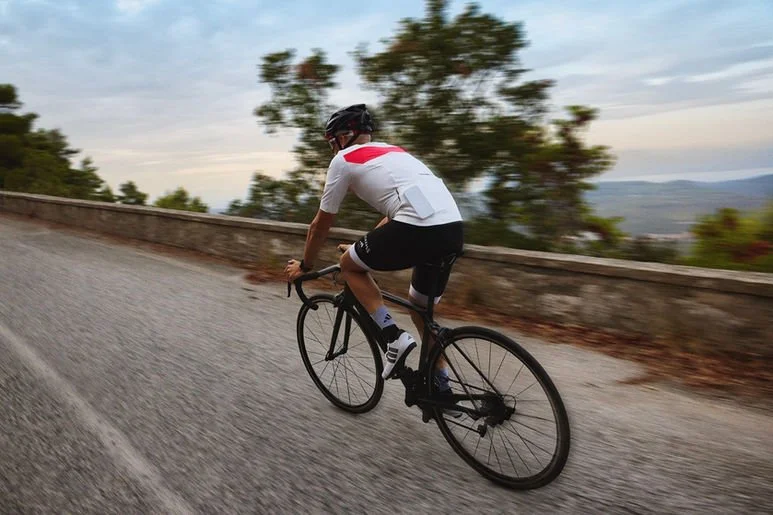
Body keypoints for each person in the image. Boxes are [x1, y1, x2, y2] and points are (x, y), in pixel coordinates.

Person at [284, 104, 464, 390]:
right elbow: (401, 212)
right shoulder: (396, 152)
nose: (334, 149)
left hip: (416, 227)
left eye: (332, 143)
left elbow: (320, 224)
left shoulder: (343, 160)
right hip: (452, 230)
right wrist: (361, 246)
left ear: (343, 138)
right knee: (421, 310)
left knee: (348, 267)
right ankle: (442, 387)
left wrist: (305, 266)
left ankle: (393, 337)